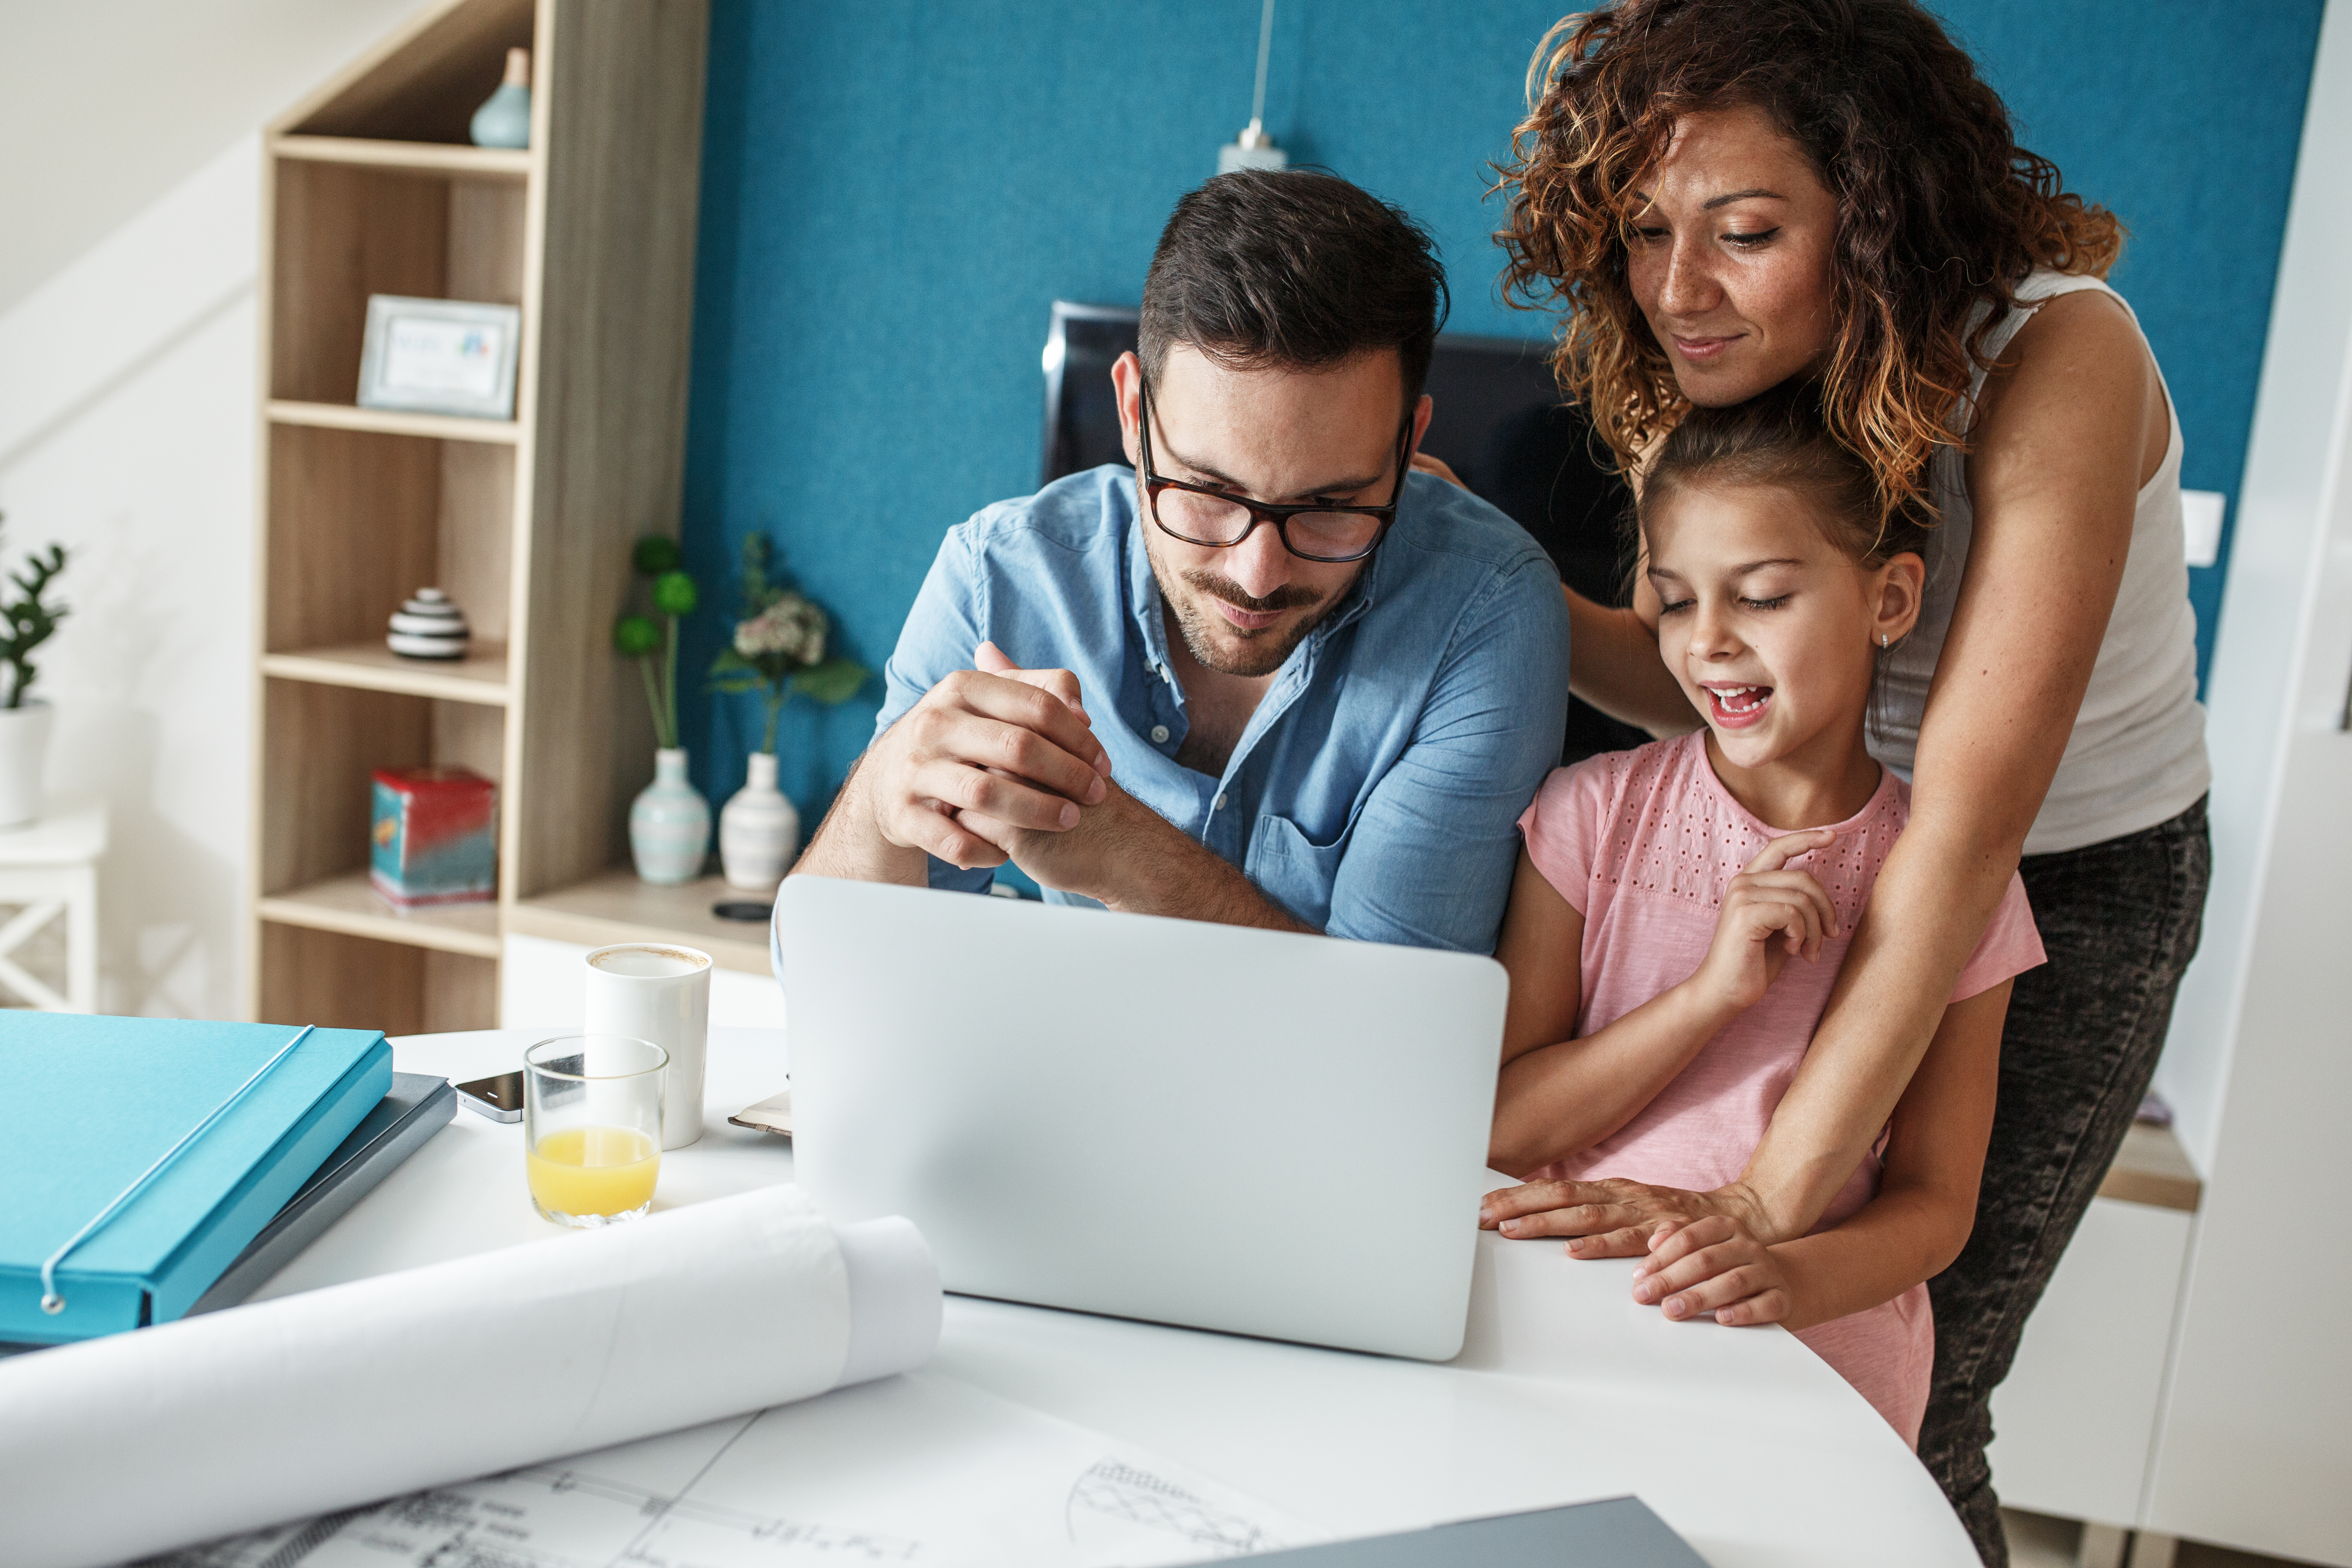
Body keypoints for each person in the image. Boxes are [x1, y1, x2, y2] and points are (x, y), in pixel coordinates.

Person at [1475, 0, 2209, 1554]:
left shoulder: (2059, 357)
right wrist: (1464, 572)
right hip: (1848, 833)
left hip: (2047, 871)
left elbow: (1964, 829)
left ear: (1876, 216)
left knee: (1919, 1394)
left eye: (1742, 230)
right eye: (1646, 231)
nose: (1679, 289)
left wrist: (1768, 1205)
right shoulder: (1751, 345)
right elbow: (1703, 673)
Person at [790, 170, 1570, 952]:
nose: (1257, 575)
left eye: (1330, 508)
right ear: (1133, 414)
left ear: (1408, 447)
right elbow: (830, 987)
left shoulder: (1488, 614)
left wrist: (1124, 855)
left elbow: (1399, 1048)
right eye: (1206, 493)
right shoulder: (1000, 577)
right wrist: (880, 797)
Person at [1480, 388, 2044, 1445]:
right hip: (1567, 1334)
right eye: (1678, 601)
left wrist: (1776, 1277)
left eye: (1765, 597)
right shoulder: (1590, 814)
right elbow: (1500, 1127)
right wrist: (1710, 996)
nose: (1710, 644)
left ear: (1890, 599)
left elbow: (1935, 1205)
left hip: (1813, 1368)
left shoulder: (1954, 883)